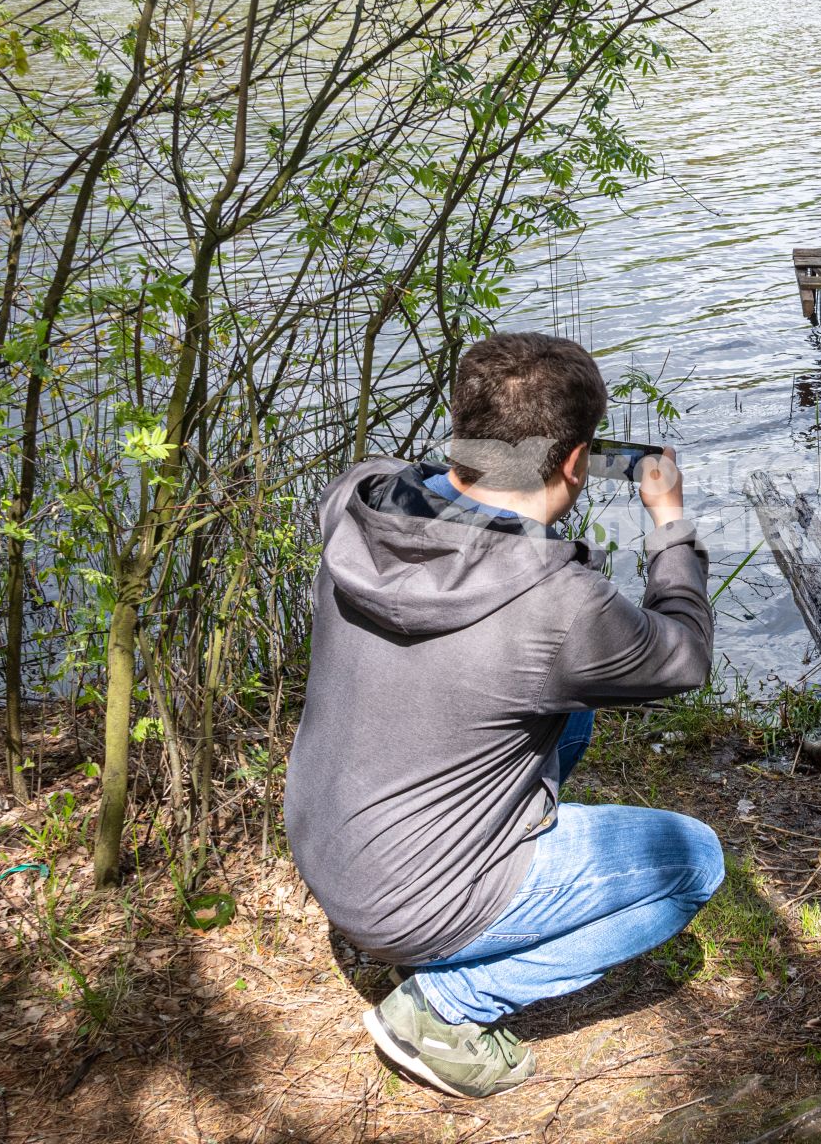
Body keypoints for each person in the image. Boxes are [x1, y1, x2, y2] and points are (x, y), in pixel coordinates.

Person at [284, 331, 722, 1099]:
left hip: (329, 846)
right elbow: (683, 656)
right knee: (694, 862)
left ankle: (448, 922)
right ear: (579, 462)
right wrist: (668, 522)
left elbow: (453, 483)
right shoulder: (556, 603)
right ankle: (443, 1007)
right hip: (411, 896)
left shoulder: (356, 500)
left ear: (464, 430)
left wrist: (500, 456)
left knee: (571, 711)